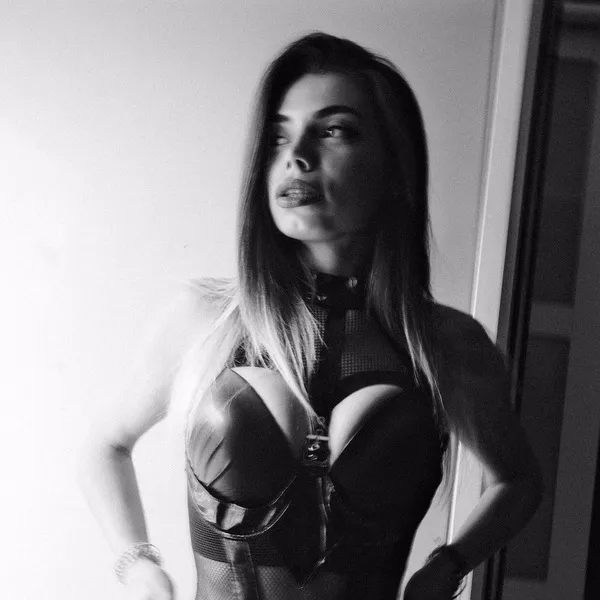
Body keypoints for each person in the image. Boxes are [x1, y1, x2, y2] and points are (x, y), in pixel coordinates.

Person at [78, 32, 543, 600]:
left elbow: (518, 481)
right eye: (278, 136)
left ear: (395, 169)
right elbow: (105, 445)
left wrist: (446, 567)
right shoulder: (204, 320)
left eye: (334, 130)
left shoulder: (445, 344)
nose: (296, 156)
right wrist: (140, 568)